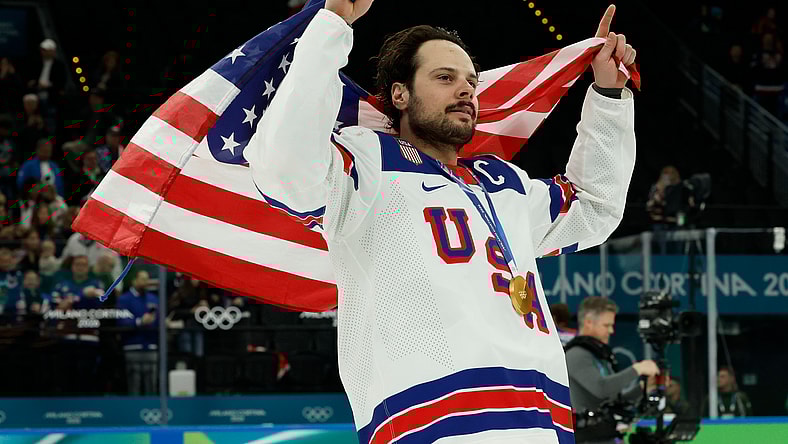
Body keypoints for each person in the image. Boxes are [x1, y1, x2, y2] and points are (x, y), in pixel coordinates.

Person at [245, 1, 638, 442]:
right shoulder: (366, 162)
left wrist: (607, 96)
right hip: (432, 421)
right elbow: (285, 171)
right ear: (400, 94)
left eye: (471, 81)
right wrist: (333, 26)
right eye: (444, 78)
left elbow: (594, 207)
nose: (467, 91)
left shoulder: (503, 183)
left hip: (539, 419)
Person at [565, 297, 659, 444]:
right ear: (589, 322)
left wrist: (643, 388)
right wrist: (637, 369)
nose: (611, 331)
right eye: (606, 325)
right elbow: (601, 388)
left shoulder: (599, 356)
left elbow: (614, 400)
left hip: (606, 437)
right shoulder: (576, 354)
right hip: (588, 439)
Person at [116, 270, 159, 395]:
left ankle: (153, 408)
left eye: (147, 279)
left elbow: (159, 319)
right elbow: (121, 321)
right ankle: (133, 412)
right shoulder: (124, 299)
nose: (146, 282)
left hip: (151, 346)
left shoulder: (154, 298)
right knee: (134, 383)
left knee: (152, 384)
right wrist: (140, 321)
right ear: (134, 280)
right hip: (132, 346)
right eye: (142, 279)